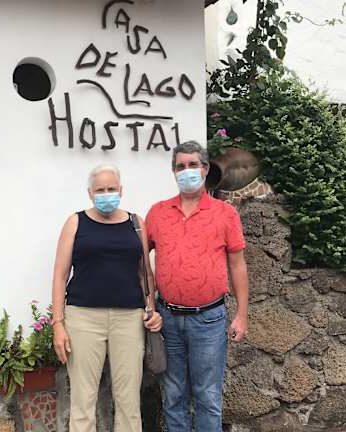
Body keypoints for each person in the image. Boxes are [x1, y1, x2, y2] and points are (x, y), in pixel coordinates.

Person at [146, 141, 250, 432]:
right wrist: (150, 305)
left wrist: (242, 315)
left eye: (193, 165)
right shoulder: (157, 213)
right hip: (168, 319)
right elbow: (141, 262)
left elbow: (238, 265)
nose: (187, 171)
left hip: (209, 320)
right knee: (173, 394)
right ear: (173, 172)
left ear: (205, 169)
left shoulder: (225, 213)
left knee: (207, 396)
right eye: (180, 166)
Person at [51, 164, 162, 432]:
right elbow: (60, 275)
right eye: (100, 190)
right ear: (90, 193)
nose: (106, 194)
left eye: (111, 189)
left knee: (128, 400)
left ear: (121, 190)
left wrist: (152, 309)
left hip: (129, 319)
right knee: (83, 400)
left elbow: (145, 273)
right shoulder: (76, 222)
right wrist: (58, 324)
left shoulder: (136, 223)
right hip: (83, 318)